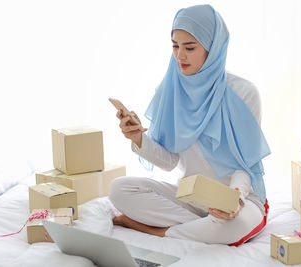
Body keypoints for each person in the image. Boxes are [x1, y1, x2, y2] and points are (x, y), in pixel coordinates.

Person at [108, 4, 271, 246]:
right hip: (189, 196)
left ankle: (157, 231)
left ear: (213, 48)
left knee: (234, 225)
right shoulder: (169, 91)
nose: (179, 56)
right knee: (119, 189)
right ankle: (201, 227)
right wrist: (137, 138)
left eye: (190, 47)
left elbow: (246, 165)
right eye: (175, 46)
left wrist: (234, 201)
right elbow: (170, 161)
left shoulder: (243, 93)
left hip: (239, 198)